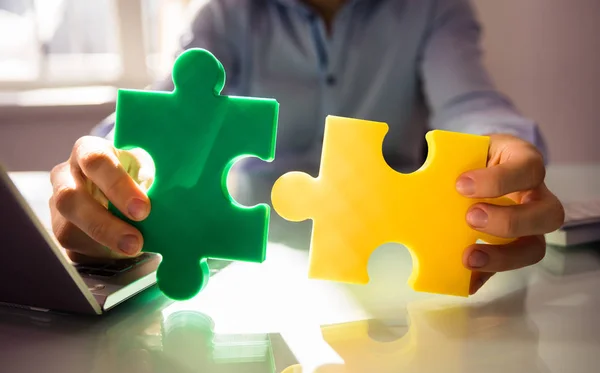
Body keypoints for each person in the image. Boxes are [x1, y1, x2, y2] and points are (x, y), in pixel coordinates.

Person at [48, 0, 564, 294]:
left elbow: (471, 102)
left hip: (394, 266)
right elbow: (163, 114)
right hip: (256, 266)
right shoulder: (230, 13)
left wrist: (504, 147)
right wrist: (103, 173)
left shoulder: (432, 8)